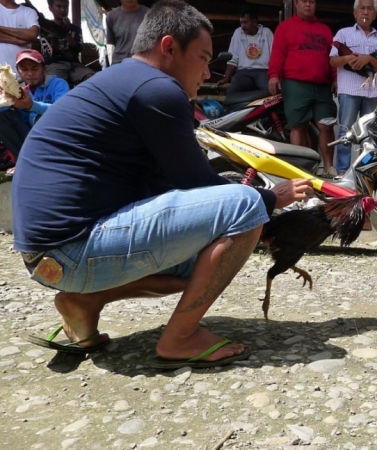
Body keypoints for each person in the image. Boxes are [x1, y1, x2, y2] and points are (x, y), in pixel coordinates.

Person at [11, 0, 313, 368]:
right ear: (169, 47)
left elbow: (168, 185)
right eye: (203, 58)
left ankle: (84, 302)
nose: (207, 72)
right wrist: (270, 197)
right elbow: (198, 183)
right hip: (71, 249)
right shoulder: (157, 88)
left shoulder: (122, 81)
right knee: (245, 205)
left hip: (46, 258)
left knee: (200, 262)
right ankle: (181, 338)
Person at [268, 0, 336, 178]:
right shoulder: (285, 28)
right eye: (304, 1)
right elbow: (277, 54)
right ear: (296, 3)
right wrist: (274, 75)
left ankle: (329, 168)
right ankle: (300, 171)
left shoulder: (325, 30)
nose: (308, 5)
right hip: (295, 83)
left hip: (322, 85)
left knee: (326, 125)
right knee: (298, 126)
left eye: (312, 1)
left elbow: (333, 57)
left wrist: (336, 78)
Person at [330, 0, 377, 178]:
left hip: (372, 91)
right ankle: (342, 171)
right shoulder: (343, 34)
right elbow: (332, 61)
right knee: (345, 130)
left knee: (368, 133)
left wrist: (368, 58)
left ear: (375, 15)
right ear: (355, 12)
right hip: (349, 89)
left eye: (370, 9)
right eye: (362, 8)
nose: (365, 12)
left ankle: (365, 170)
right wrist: (349, 58)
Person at [0, 49, 69, 169]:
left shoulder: (58, 84)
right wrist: (4, 100)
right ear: (18, 71)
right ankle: (23, 161)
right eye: (24, 69)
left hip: (55, 136)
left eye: (35, 69)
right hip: (32, 137)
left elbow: (63, 112)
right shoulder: (20, 91)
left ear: (45, 69)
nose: (30, 73)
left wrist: (31, 105)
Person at [214, 9, 274, 96]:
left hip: (263, 71)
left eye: (245, 22)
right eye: (241, 23)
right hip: (243, 72)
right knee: (232, 93)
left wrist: (274, 76)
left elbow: (274, 56)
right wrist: (226, 77)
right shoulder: (238, 32)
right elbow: (233, 58)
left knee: (270, 91)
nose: (243, 26)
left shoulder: (266, 33)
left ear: (254, 22)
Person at [38, 0, 94, 85]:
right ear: (50, 8)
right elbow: (50, 52)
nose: (63, 10)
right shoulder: (46, 28)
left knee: (91, 78)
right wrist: (54, 35)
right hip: (54, 64)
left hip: (74, 65)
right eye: (59, 6)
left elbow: (78, 48)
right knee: (56, 85)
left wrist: (67, 31)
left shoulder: (75, 29)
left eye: (65, 7)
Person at [106, 0, 149, 65]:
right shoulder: (111, 16)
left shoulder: (149, 14)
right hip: (119, 63)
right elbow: (111, 44)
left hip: (143, 63)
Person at [0, 0, 39, 70]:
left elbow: (32, 34)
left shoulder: (29, 12)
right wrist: (18, 41)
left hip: (22, 72)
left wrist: (1, 28)